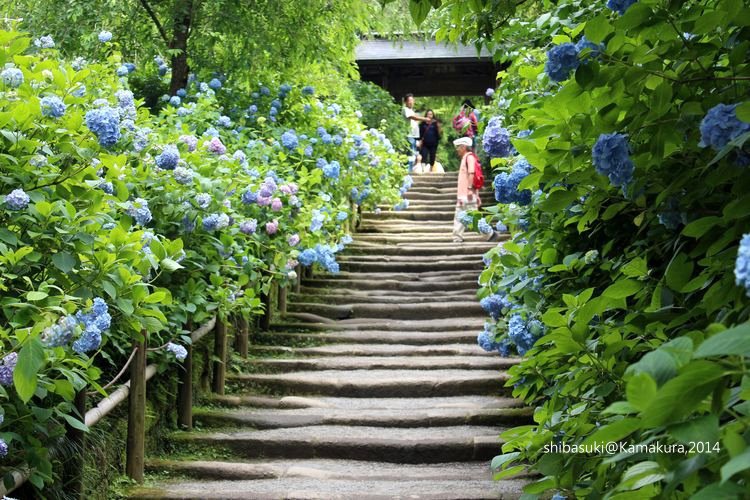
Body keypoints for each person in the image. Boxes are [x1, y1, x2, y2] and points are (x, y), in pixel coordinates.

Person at [452, 136, 481, 243]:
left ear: (464, 147)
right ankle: (457, 237)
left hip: (467, 194)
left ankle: (489, 233)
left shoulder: (469, 157)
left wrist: (470, 190)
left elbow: (472, 173)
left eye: (459, 147)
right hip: (464, 195)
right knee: (460, 215)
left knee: (474, 218)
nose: (457, 149)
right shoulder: (466, 158)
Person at [403, 93, 430, 173]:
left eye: (412, 100)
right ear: (405, 102)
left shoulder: (411, 110)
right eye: (409, 101)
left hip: (413, 135)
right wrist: (425, 119)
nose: (411, 102)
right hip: (409, 135)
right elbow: (413, 117)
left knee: (413, 153)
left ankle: (410, 170)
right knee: (411, 153)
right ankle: (408, 171)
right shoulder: (405, 109)